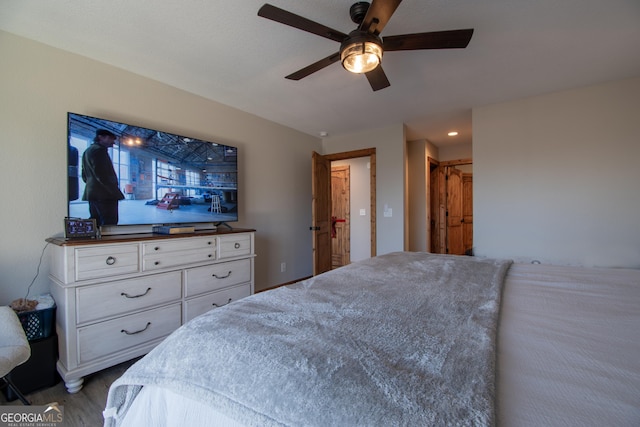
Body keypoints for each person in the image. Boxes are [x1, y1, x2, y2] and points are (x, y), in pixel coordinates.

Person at [81, 129, 124, 225]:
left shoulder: (87, 151)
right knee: (109, 224)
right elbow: (102, 174)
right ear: (101, 137)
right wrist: (113, 191)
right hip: (105, 195)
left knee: (95, 222)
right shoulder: (99, 151)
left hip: (93, 194)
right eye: (111, 139)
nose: (113, 142)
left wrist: (92, 186)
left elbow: (84, 175)